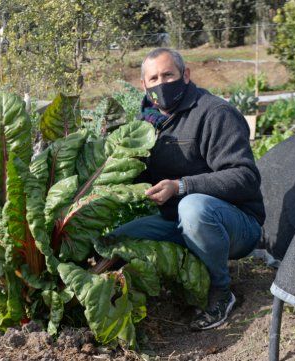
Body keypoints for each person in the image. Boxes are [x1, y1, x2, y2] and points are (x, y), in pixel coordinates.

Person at [112, 48, 265, 330]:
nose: (161, 83)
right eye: (154, 78)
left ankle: (220, 292)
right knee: (116, 239)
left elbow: (245, 177)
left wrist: (182, 186)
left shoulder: (214, 113)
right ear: (143, 85)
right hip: (175, 221)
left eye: (168, 74)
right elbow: (137, 177)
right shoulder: (146, 124)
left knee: (192, 207)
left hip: (234, 223)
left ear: (186, 75)